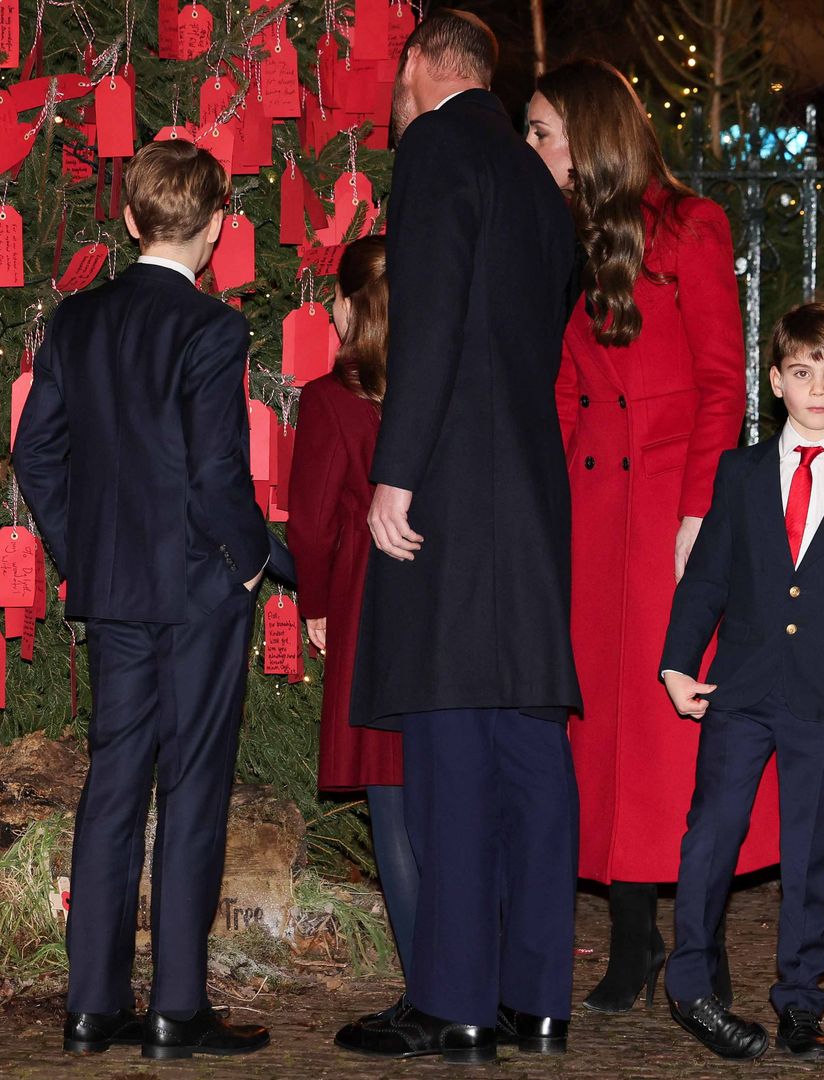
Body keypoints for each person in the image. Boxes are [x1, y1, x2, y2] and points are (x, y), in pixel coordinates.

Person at [333, 10, 580, 1065]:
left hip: (450, 492)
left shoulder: (435, 145)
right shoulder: (537, 178)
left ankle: (454, 1001)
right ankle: (536, 999)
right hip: (529, 492)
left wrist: (397, 472)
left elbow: (426, 318)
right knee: (529, 744)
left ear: (421, 66)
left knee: (447, 745)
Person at [13, 140, 295, 1060]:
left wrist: (78, 549)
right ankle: (176, 1007)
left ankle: (92, 1006)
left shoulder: (77, 322)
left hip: (116, 591)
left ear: (130, 220)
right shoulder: (212, 330)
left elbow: (34, 455)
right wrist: (253, 562)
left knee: (112, 789)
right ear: (215, 229)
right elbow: (217, 476)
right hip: (200, 590)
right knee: (195, 789)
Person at [526, 57, 780, 1014]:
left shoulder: (691, 224)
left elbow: (724, 381)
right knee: (605, 733)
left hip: (675, 509)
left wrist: (701, 517)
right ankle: (632, 939)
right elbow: (557, 386)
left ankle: (692, 945)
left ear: (592, 132)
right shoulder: (562, 235)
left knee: (677, 730)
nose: (535, 147)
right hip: (592, 517)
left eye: (546, 130)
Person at [660, 303, 824, 1061]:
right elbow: (706, 579)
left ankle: (801, 1002)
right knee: (710, 836)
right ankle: (693, 986)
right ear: (776, 381)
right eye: (802, 373)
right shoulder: (738, 473)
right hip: (738, 689)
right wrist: (677, 663)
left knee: (812, 853)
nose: (817, 389)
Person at [287, 237, 418, 978]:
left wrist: (317, 603)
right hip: (442, 598)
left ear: (344, 306)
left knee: (390, 797)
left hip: (368, 598)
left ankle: (424, 980)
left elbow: (309, 520)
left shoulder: (330, 398)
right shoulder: (444, 386)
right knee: (443, 792)